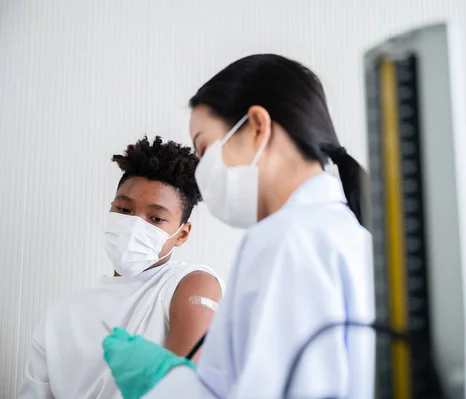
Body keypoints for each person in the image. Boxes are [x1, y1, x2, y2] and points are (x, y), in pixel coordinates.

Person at [102, 54, 375, 398]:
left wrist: (163, 383)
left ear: (258, 127)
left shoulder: (287, 239)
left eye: (204, 150)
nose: (201, 172)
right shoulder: (346, 233)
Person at [18, 137, 224, 399]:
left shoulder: (189, 284)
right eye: (124, 209)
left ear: (182, 235)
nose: (134, 225)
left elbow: (187, 386)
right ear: (110, 209)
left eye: (156, 218)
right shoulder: (60, 314)